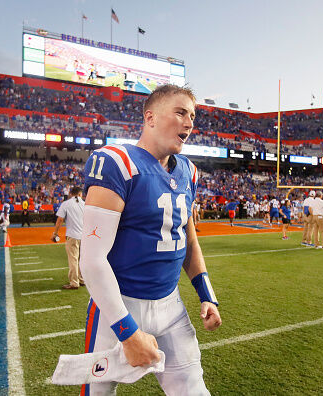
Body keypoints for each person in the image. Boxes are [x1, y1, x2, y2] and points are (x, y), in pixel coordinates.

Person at [78, 84, 221, 395]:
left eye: (193, 116)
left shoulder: (188, 171)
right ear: (150, 117)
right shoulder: (116, 162)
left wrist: (206, 294)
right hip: (117, 305)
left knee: (194, 391)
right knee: (98, 393)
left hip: (171, 306)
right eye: (181, 112)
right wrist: (128, 334)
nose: (189, 122)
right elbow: (90, 260)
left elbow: (187, 237)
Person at [52, 187, 86, 290]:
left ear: (71, 193)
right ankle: (82, 279)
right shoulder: (85, 204)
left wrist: (55, 233)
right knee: (82, 260)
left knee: (73, 259)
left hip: (72, 235)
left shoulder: (66, 204)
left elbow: (60, 219)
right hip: (84, 236)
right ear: (80, 194)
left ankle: (74, 282)